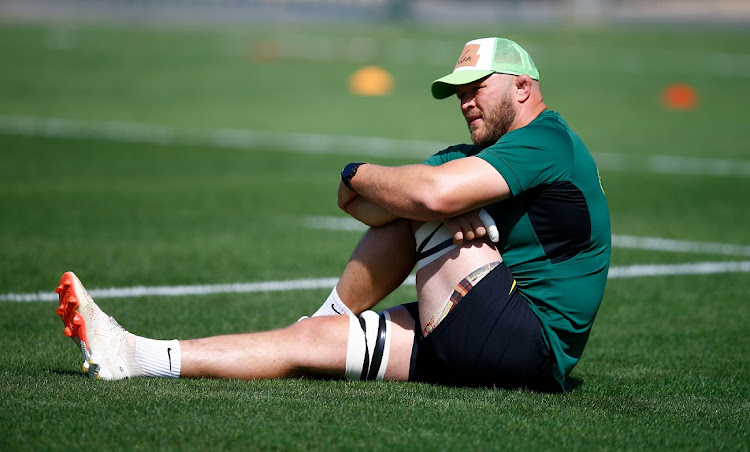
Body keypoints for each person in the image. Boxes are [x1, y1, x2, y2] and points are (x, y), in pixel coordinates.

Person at [56, 37, 610, 391]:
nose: (464, 101)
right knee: (306, 348)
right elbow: (366, 204)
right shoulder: (477, 159)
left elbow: (426, 197)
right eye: (457, 92)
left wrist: (413, 195)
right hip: (491, 334)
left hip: (528, 339)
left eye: (476, 87)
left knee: (423, 205)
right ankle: (136, 355)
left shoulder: (547, 140)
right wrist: (360, 176)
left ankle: (327, 314)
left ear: (522, 86)